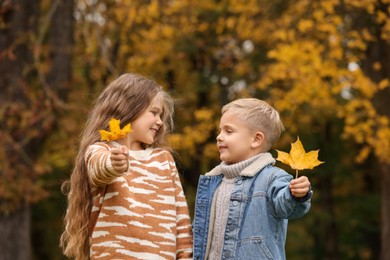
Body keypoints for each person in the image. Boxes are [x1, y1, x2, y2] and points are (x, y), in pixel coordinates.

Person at [60, 73, 193, 260]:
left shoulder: (164, 159)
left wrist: (185, 254)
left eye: (161, 115)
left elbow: (181, 216)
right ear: (129, 109)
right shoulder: (101, 151)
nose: (160, 121)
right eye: (154, 112)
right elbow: (99, 170)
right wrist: (114, 164)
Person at [192, 98, 312, 260]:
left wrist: (296, 194)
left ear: (256, 139)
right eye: (220, 131)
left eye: (228, 131)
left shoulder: (272, 179)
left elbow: (287, 206)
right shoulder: (213, 182)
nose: (219, 137)